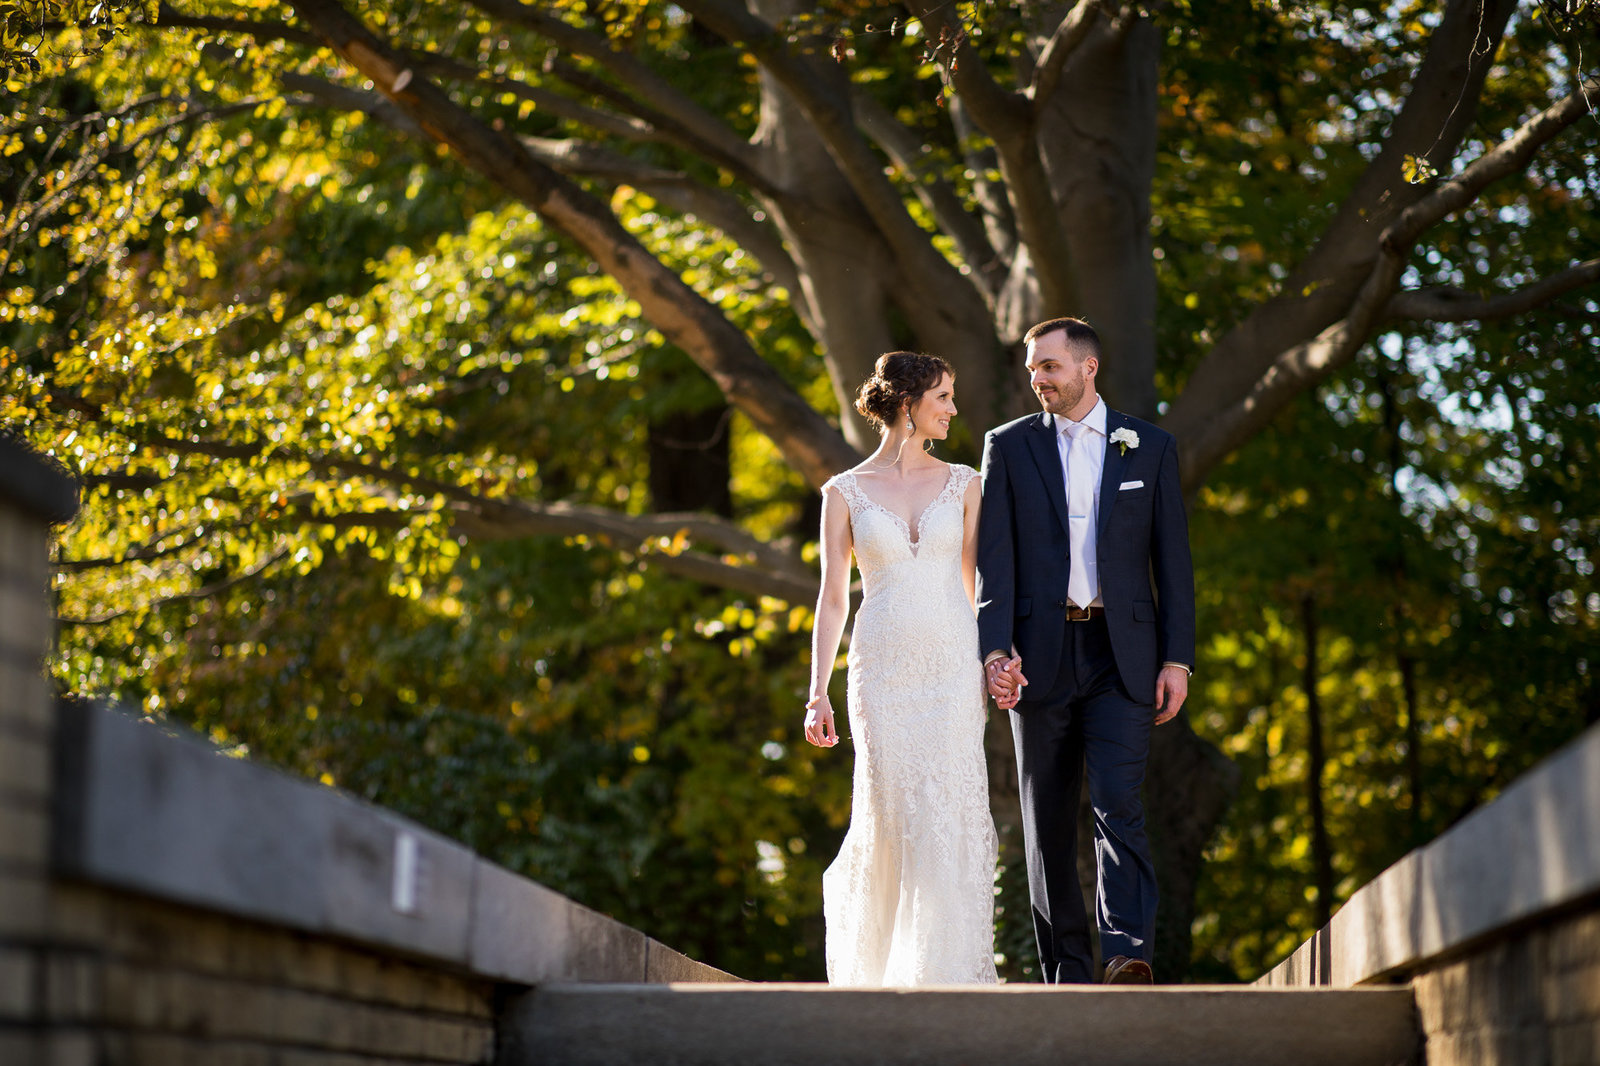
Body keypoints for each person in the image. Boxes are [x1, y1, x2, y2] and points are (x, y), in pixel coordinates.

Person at [976, 317, 1195, 985]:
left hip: (1122, 652)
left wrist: (1177, 658)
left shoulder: (1149, 447)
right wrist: (994, 652)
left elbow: (1174, 562)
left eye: (1049, 366)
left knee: (1118, 805)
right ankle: (1067, 972)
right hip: (1037, 655)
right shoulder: (1008, 447)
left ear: (1087, 368)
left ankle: (1127, 952)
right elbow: (995, 561)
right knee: (1045, 821)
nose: (1037, 378)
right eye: (1033, 368)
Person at [802, 351, 998, 986]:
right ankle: (883, 976)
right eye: (943, 396)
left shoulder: (968, 483)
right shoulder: (843, 493)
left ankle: (949, 971)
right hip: (880, 669)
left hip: (950, 664)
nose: (953, 408)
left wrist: (994, 656)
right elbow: (833, 597)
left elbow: (978, 584)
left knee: (950, 809)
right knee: (891, 814)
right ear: (909, 403)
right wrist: (817, 692)